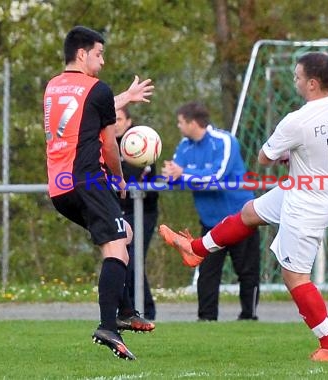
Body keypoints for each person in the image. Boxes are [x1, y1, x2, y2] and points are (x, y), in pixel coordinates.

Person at [159, 52, 328, 362]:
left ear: (311, 83)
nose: (294, 80)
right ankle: (197, 249)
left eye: (297, 76)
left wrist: (284, 153)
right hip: (313, 191)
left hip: (307, 202)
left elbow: (263, 158)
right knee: (249, 212)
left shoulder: (296, 121)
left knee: (295, 277)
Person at [43, 25, 155, 360]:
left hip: (60, 187)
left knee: (125, 234)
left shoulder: (53, 87)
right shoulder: (97, 90)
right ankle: (109, 324)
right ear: (82, 54)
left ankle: (124, 311)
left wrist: (123, 97)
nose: (102, 61)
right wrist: (119, 180)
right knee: (118, 248)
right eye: (99, 53)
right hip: (89, 181)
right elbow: (109, 144)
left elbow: (89, 108)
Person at [161, 101, 261, 322]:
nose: (178, 126)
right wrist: (171, 175)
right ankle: (206, 319)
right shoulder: (184, 146)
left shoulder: (224, 141)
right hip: (211, 222)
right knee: (207, 273)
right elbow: (175, 178)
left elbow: (218, 176)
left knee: (247, 271)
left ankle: (249, 317)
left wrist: (184, 174)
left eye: (180, 122)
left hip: (240, 218)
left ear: (192, 122)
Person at [115, 106, 158, 320]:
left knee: (131, 262)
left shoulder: (140, 142)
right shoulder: (105, 145)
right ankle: (131, 310)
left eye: (120, 119)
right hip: (116, 212)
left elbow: (134, 179)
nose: (115, 123)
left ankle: (146, 311)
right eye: (112, 119)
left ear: (129, 121)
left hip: (142, 212)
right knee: (120, 261)